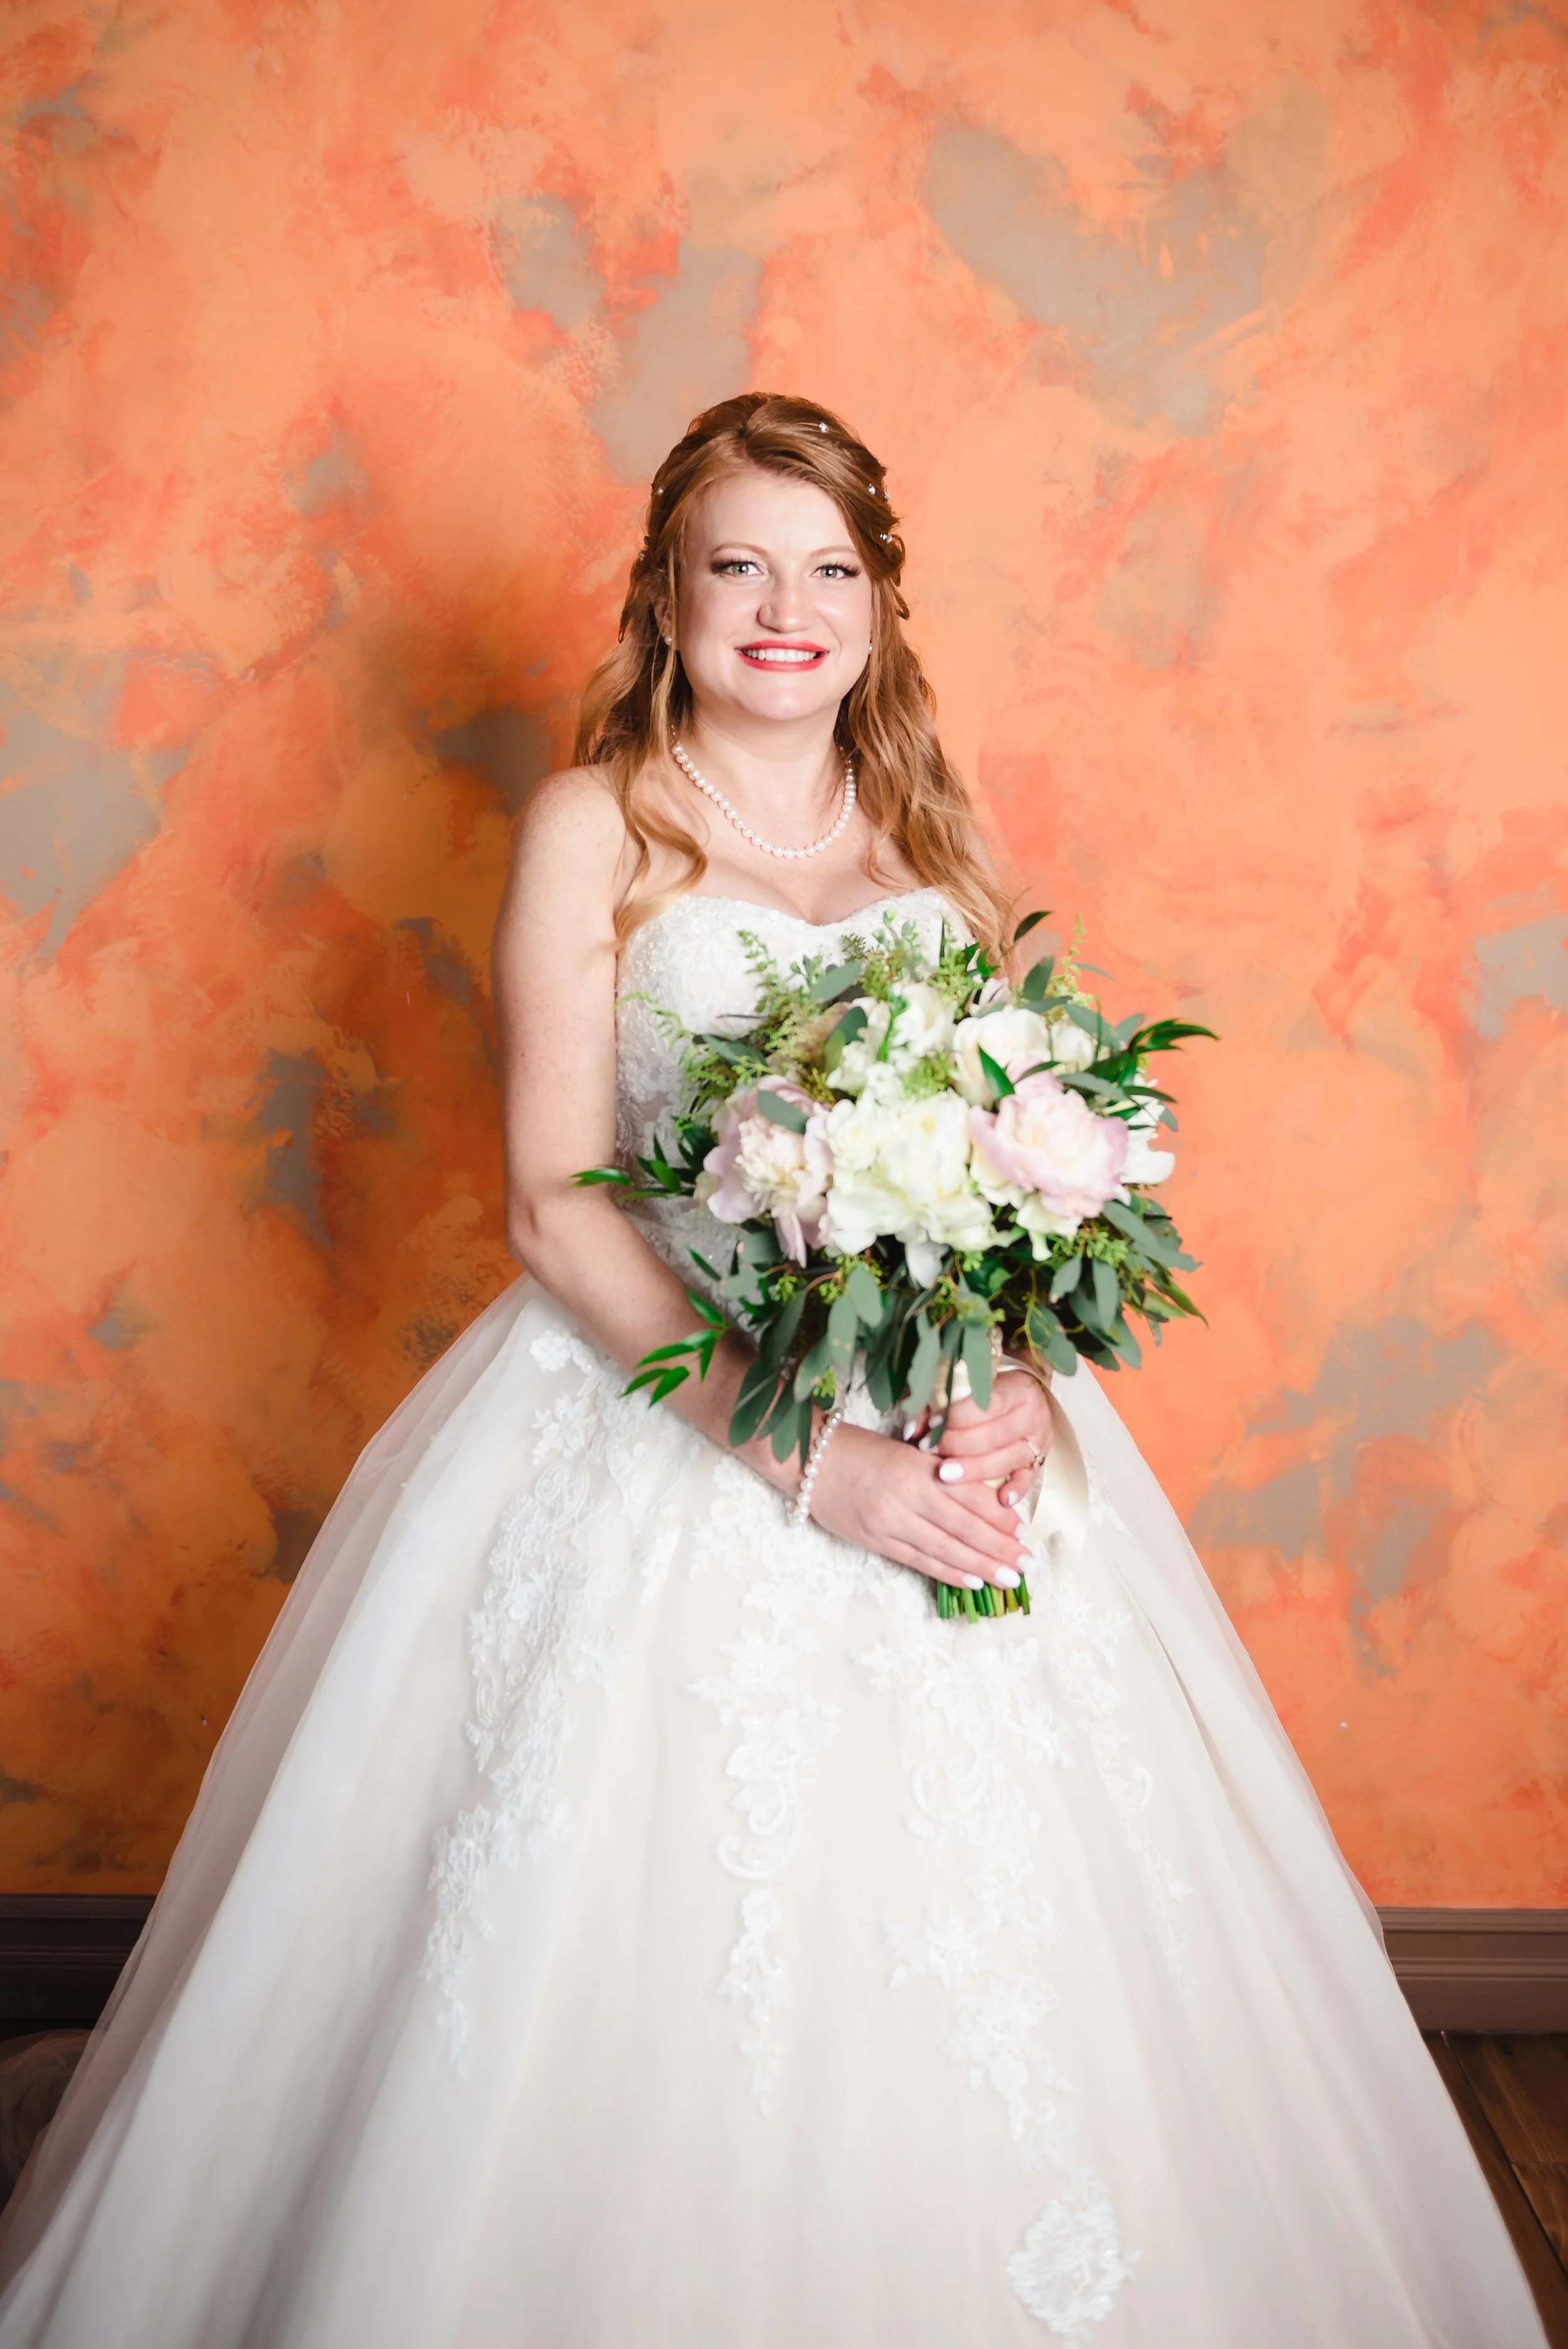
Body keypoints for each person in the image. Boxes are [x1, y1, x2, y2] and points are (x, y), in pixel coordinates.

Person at [0, 394, 1545, 2348]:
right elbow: (558, 1210)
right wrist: (816, 1467)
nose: (781, 608)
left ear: (882, 608)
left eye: (826, 570)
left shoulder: (932, 840)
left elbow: (1009, 1167)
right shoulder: (602, 824)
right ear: (665, 595)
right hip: (675, 1397)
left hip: (935, 1402)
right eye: (736, 564)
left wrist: (1023, 1387)